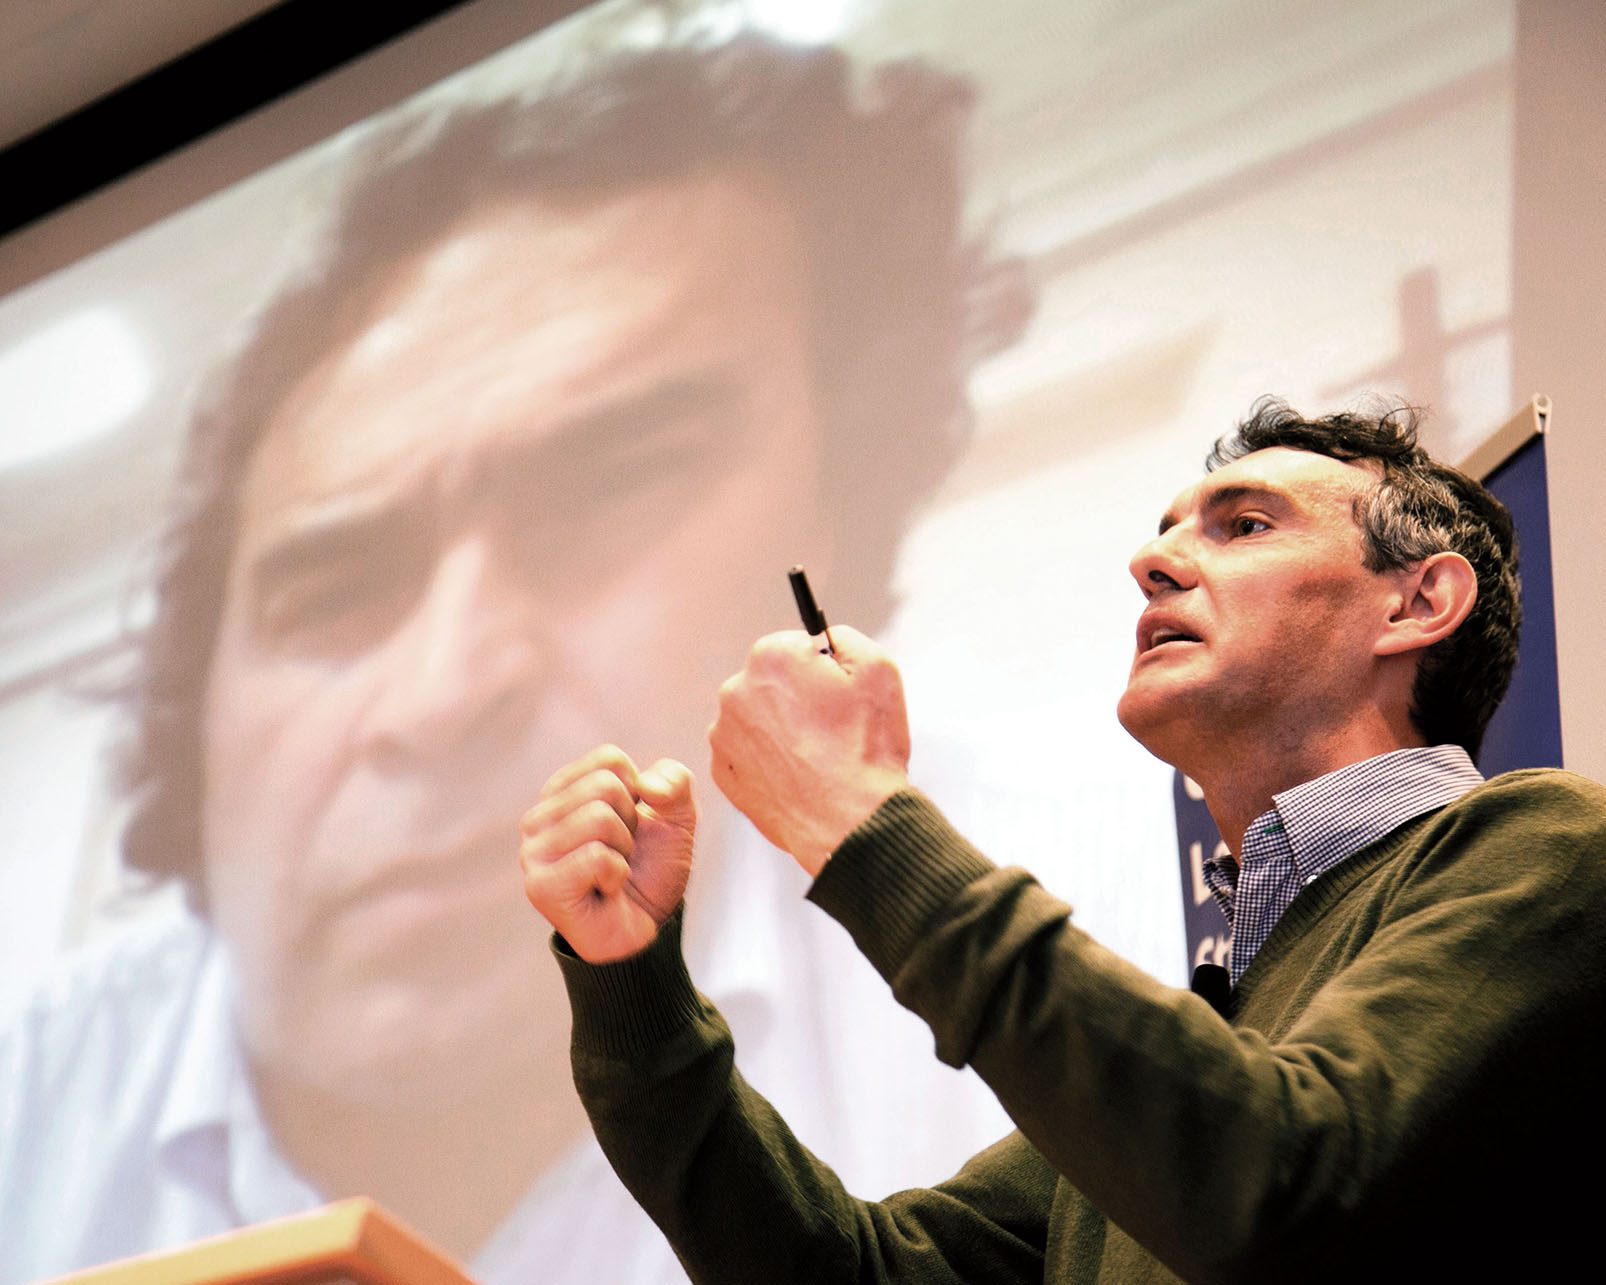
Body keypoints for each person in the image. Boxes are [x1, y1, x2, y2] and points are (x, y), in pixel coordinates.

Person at [0, 35, 1030, 1285]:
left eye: (610, 496)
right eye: (332, 587)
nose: (442, 696)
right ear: (197, 701)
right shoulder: (27, 1094)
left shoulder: (1099, 939)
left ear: (826, 557)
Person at [523, 399, 1606, 1282]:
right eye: (1166, 531)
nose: (1154, 561)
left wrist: (859, 819)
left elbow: (1279, 1192)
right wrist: (632, 981)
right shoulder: (1197, 1046)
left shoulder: (1546, 846)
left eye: (1243, 524)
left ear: (1419, 602)